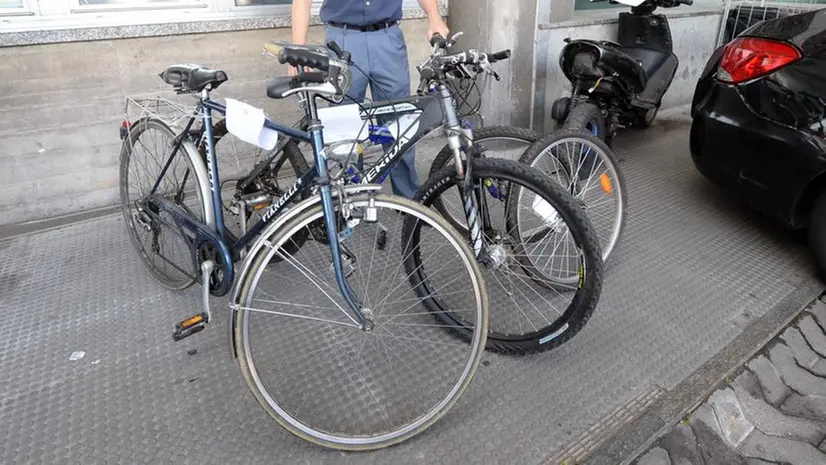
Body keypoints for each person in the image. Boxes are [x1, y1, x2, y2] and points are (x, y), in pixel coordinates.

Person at [289, 0, 449, 199]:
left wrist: (434, 17)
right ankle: (351, 198)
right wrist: (298, 51)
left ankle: (409, 197)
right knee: (345, 127)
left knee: (400, 123)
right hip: (342, 40)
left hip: (387, 38)